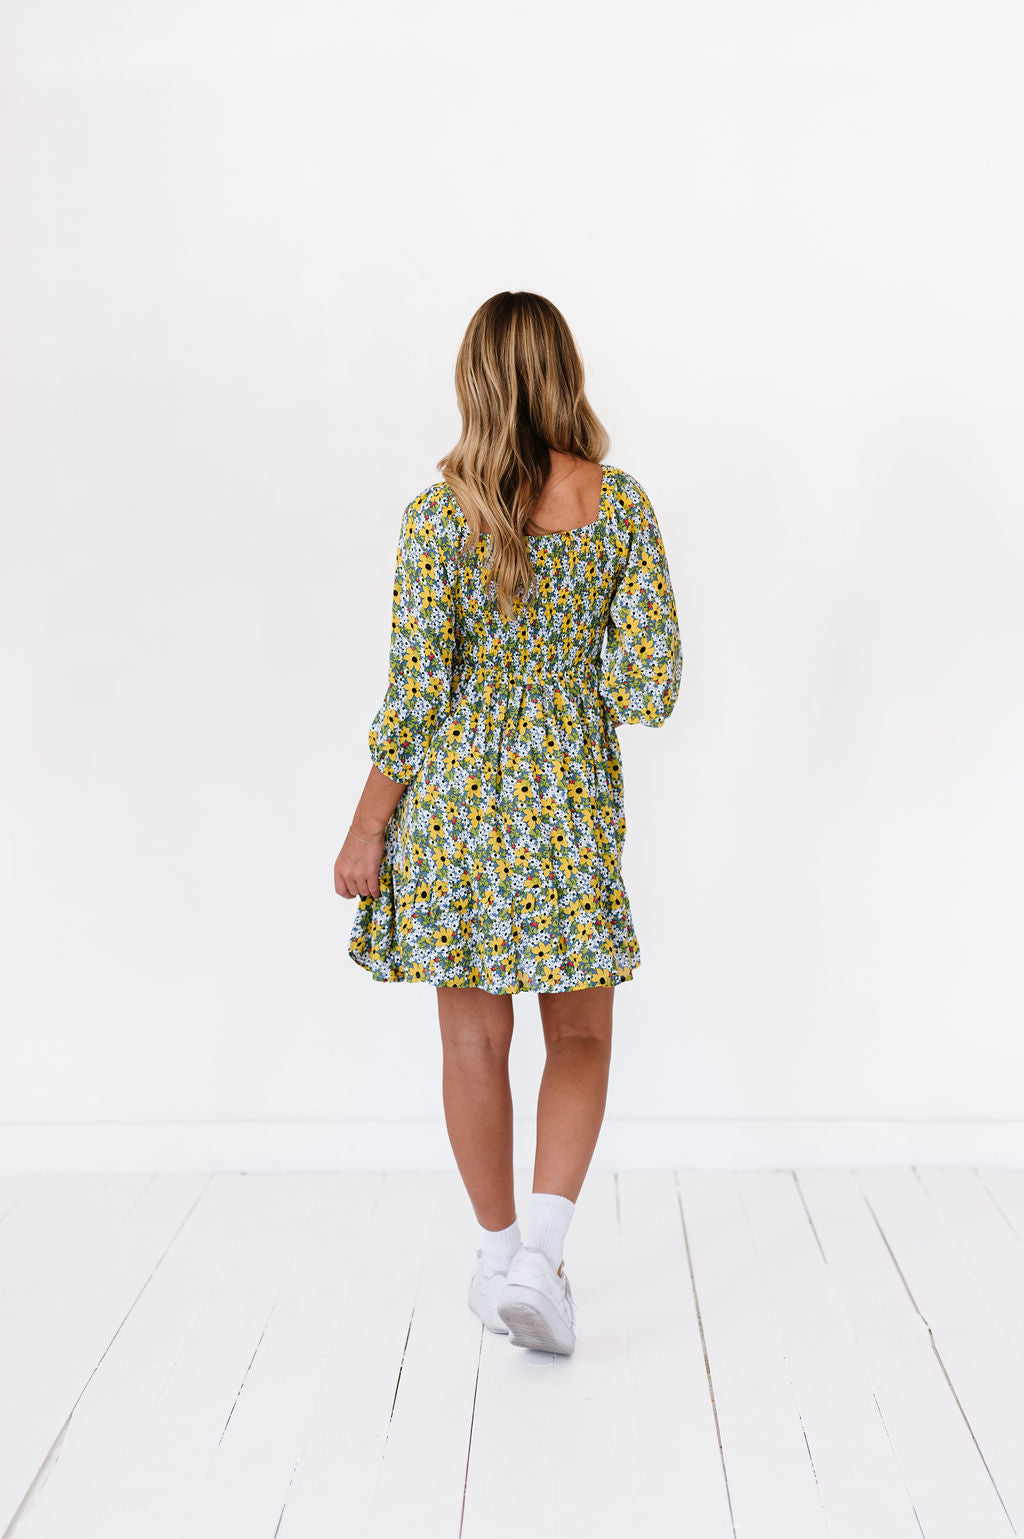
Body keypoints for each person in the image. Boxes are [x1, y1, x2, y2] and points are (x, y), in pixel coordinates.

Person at [334, 291, 682, 1355]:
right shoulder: (618, 506)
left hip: (453, 808)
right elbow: (649, 688)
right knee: (577, 1034)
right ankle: (542, 1256)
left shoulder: (437, 516)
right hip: (565, 806)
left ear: (474, 378)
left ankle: (496, 1262)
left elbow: (415, 696)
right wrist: (572, 673)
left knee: (472, 1040)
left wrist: (366, 829)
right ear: (564, 370)